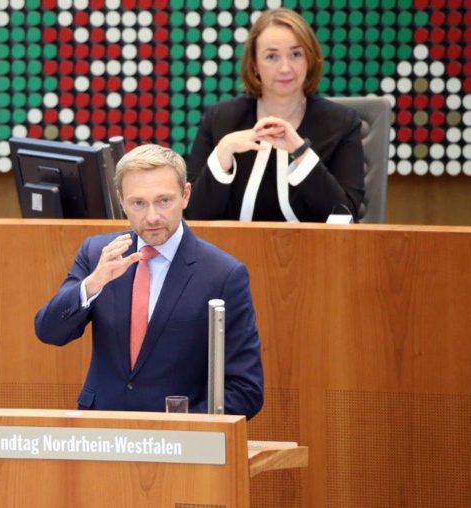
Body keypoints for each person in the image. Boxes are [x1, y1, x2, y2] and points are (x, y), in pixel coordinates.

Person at [35, 144, 264, 418]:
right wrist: (93, 283)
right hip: (101, 432)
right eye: (138, 203)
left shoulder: (223, 274)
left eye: (164, 201)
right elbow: (49, 332)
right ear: (121, 201)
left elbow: (246, 389)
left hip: (178, 443)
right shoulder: (98, 253)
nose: (152, 216)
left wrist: (185, 429)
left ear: (185, 195)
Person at [185, 8, 365, 222]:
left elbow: (345, 217)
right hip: (230, 253)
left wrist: (301, 153)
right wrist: (223, 153)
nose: (285, 68)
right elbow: (193, 217)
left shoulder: (342, 124)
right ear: (254, 64)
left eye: (296, 54)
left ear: (310, 59)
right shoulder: (220, 120)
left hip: (316, 252)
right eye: (272, 56)